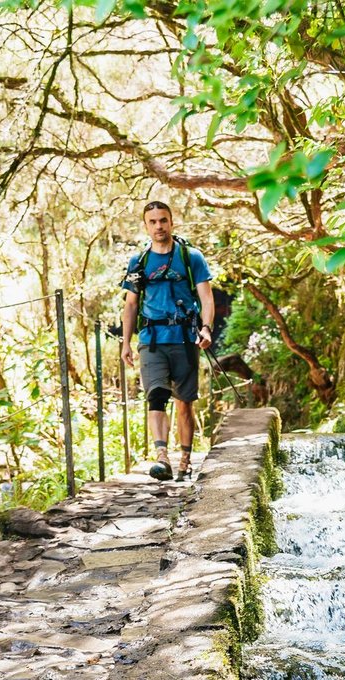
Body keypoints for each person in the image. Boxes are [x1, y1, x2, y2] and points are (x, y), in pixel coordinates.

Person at [120, 201, 214, 482]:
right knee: (156, 395)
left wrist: (206, 328)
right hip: (151, 340)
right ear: (146, 226)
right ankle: (162, 457)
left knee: (185, 402)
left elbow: (206, 297)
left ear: (172, 222)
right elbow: (131, 304)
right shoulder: (139, 262)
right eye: (153, 222)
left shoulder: (190, 257)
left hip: (185, 338)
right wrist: (126, 342)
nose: (159, 226)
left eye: (163, 220)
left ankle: (185, 459)